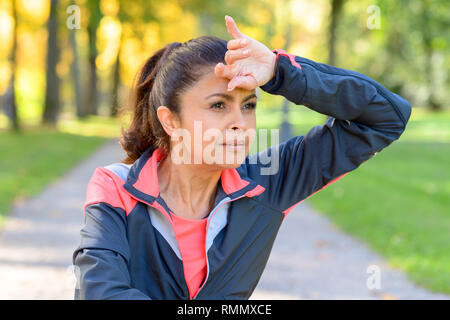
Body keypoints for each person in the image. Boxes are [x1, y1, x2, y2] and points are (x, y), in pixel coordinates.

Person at [72, 15, 411, 299]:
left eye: (248, 106)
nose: (240, 123)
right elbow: (103, 293)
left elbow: (386, 117)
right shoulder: (117, 187)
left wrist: (281, 71)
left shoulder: (269, 184)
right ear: (170, 120)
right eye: (218, 105)